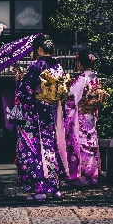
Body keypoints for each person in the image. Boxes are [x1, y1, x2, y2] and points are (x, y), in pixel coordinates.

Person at [15, 34, 68, 201]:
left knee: (31, 150)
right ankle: (55, 188)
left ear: (39, 49)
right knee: (49, 149)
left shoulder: (36, 66)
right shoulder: (59, 67)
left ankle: (40, 190)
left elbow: (23, 93)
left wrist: (19, 81)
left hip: (34, 116)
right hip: (50, 115)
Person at [64, 50, 102, 186]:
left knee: (78, 146)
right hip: (90, 117)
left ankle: (79, 177)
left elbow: (71, 99)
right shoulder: (95, 78)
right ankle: (92, 176)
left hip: (79, 118)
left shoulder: (81, 79)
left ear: (80, 64)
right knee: (90, 144)